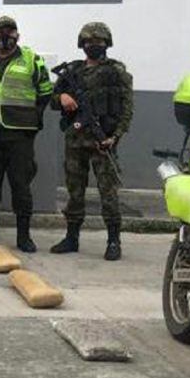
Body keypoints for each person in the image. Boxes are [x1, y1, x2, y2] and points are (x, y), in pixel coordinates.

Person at [49, 22, 133, 261]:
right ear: (81, 44)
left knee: (108, 194)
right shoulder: (72, 72)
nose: (93, 46)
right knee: (75, 192)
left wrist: (114, 137)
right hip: (75, 141)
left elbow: (127, 109)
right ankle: (71, 237)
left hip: (102, 142)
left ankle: (113, 240)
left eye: (98, 42)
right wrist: (62, 96)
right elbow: (53, 100)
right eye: (88, 42)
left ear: (107, 44)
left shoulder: (117, 72)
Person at [0, 16, 53, 253]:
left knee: (21, 186)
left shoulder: (32, 59)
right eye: (1, 33)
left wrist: (34, 119)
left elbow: (45, 92)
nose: (5, 38)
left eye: (10, 33)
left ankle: (24, 237)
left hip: (21, 134)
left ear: (18, 36)